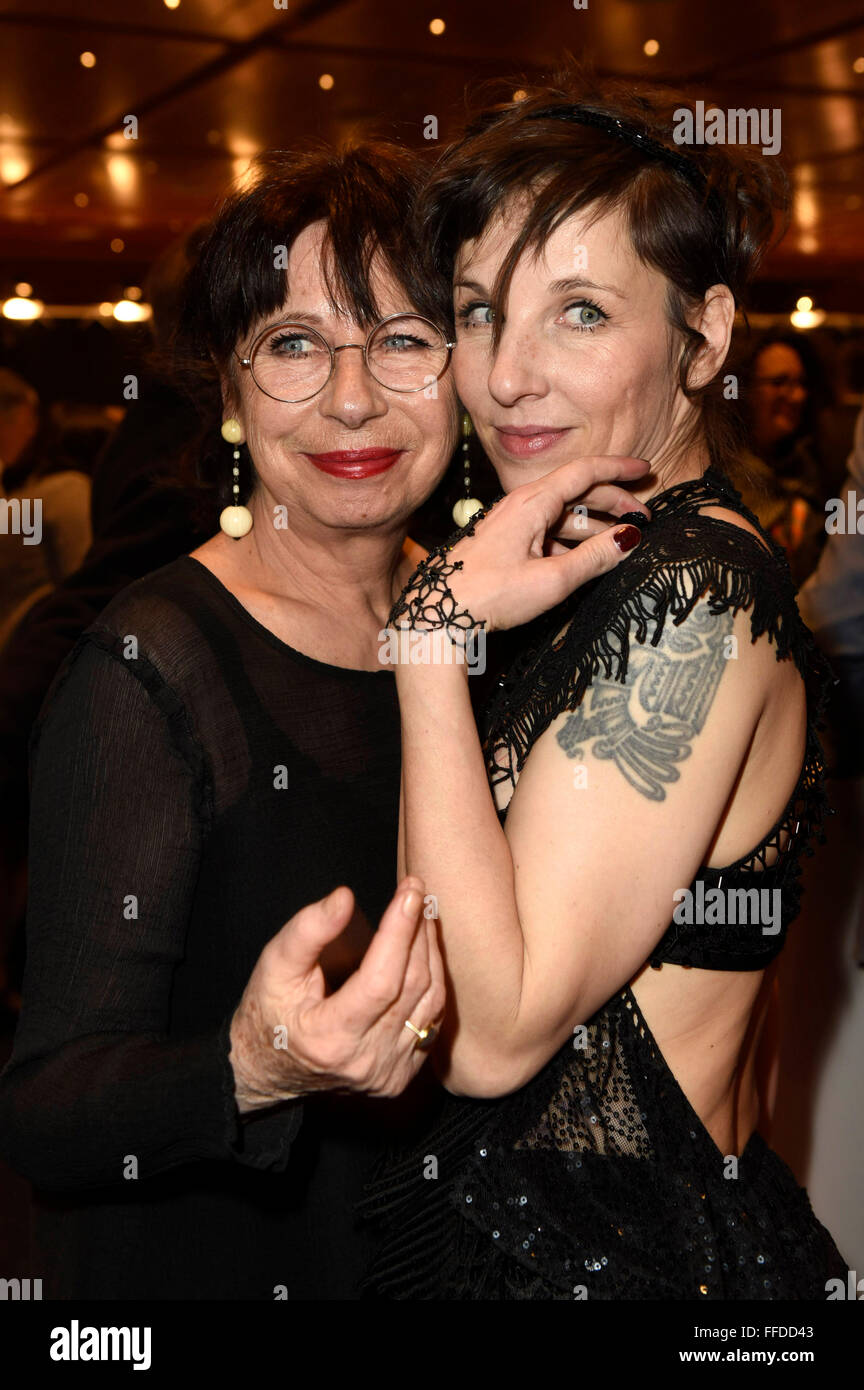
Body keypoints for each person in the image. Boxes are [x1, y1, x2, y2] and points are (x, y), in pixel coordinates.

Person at [0, 139, 640, 1300]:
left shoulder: (488, 619)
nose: (353, 398)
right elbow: (46, 1109)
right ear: (233, 394)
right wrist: (253, 1066)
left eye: (402, 340)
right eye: (293, 345)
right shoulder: (153, 665)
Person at [361, 71, 850, 1299]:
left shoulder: (691, 594)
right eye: (479, 313)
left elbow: (489, 1030)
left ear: (708, 335)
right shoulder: (601, 557)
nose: (507, 374)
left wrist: (428, 643)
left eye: (579, 313)